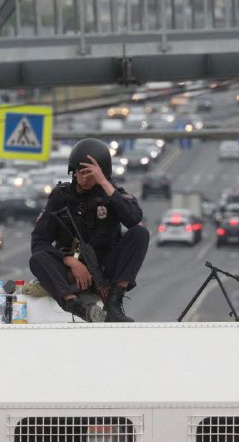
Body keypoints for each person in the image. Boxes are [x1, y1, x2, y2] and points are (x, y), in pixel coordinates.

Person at [29, 138, 149, 323]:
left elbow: (134, 219)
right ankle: (77, 307)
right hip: (71, 272)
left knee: (141, 234)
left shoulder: (112, 195)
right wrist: (70, 262)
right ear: (73, 172)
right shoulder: (61, 198)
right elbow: (38, 242)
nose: (85, 178)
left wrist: (105, 183)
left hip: (105, 268)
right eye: (80, 172)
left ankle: (114, 304)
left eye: (91, 173)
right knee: (38, 259)